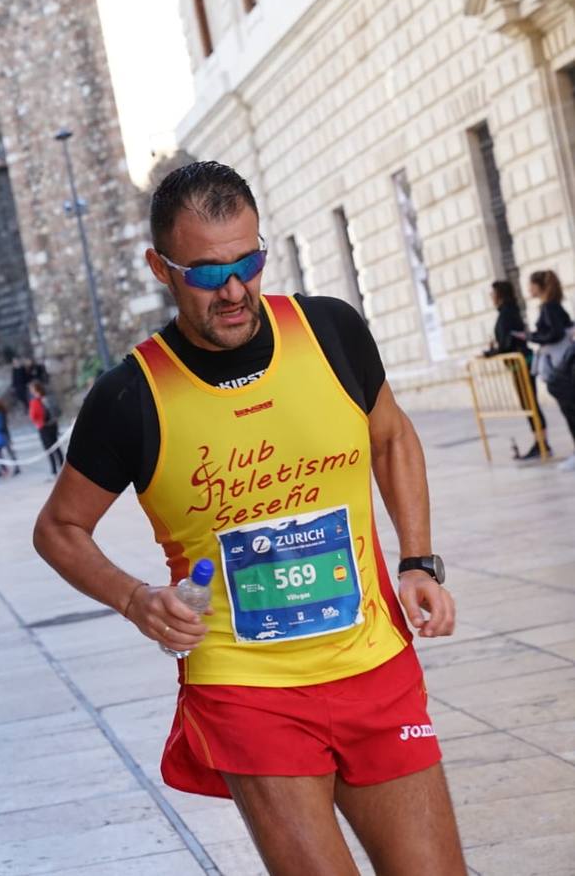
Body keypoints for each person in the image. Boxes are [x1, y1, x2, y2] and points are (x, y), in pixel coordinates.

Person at [33, 161, 465, 876]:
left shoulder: (331, 331)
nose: (234, 291)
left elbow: (390, 436)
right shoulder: (128, 397)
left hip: (375, 663)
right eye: (207, 273)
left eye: (249, 262)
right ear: (160, 268)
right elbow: (58, 529)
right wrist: (137, 600)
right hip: (245, 683)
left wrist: (417, 561)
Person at [483, 280, 546, 459]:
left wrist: (491, 352)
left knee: (529, 403)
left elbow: (507, 343)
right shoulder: (508, 311)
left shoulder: (507, 313)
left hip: (521, 364)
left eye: (493, 293)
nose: (491, 297)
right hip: (519, 364)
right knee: (528, 402)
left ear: (500, 295)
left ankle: (541, 441)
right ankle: (540, 441)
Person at [524, 270, 575, 471]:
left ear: (539, 286)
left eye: (530, 284)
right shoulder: (553, 306)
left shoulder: (549, 307)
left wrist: (531, 337)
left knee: (569, 408)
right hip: (562, 364)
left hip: (560, 366)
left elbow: (555, 334)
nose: (528, 289)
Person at [28, 381, 64, 476]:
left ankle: (54, 471)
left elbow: (33, 416)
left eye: (31, 389)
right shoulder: (48, 397)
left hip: (44, 426)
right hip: (52, 425)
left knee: (49, 449)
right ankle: (60, 468)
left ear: (35, 389)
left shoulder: (35, 401)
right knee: (56, 448)